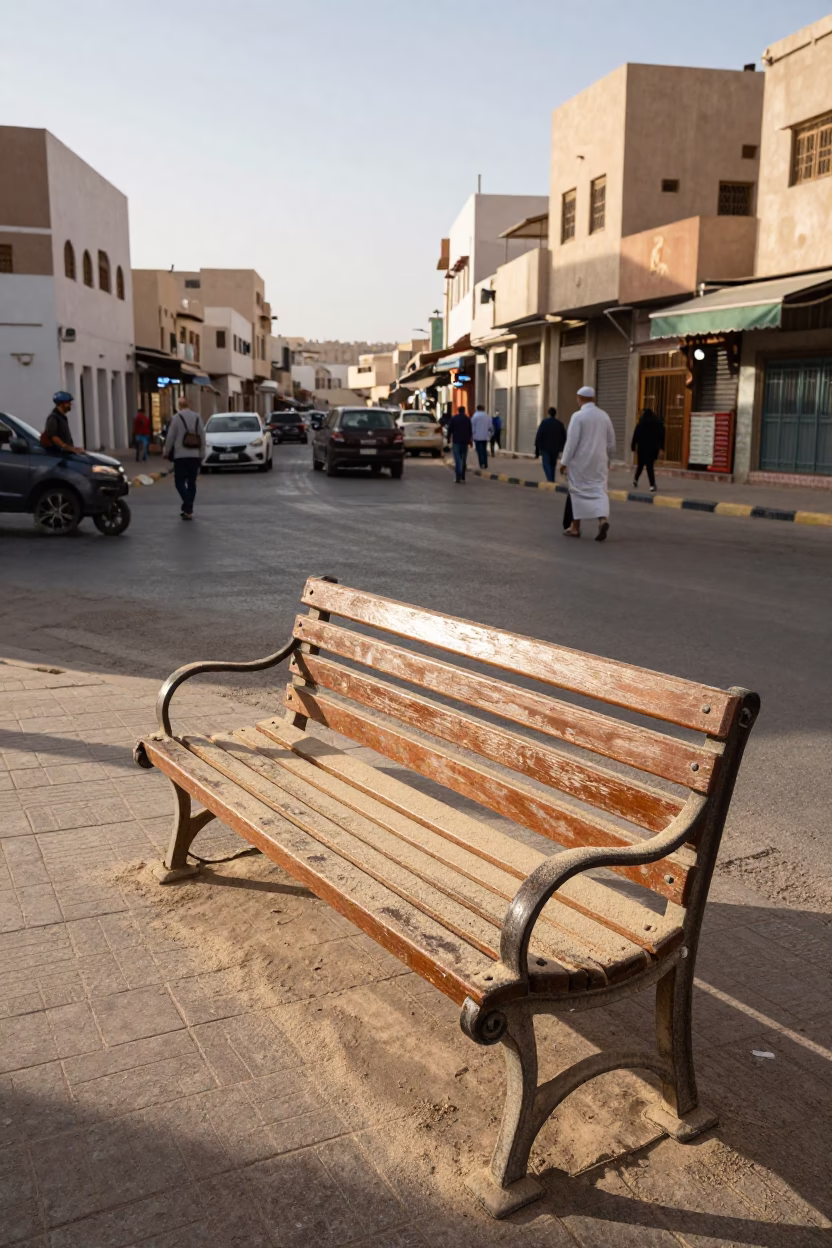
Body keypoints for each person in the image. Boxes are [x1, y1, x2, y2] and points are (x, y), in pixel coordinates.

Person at [560, 386, 616, 541]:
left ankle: (575, 528)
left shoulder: (578, 416)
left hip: (581, 463)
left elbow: (571, 443)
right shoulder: (604, 416)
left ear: (580, 398)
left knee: (577, 492)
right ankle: (603, 520)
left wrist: (564, 462)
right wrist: (608, 459)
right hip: (599, 462)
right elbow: (611, 442)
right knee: (599, 491)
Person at [164, 397, 206, 520]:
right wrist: (202, 454)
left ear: (179, 406)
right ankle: (188, 510)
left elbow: (170, 437)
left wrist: (166, 452)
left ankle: (188, 504)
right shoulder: (198, 417)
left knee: (179, 482)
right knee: (192, 482)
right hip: (195, 456)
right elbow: (202, 437)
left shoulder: (176, 418)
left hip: (180, 456)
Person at [631, 407, 664, 492]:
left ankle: (635, 480)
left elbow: (635, 436)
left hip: (642, 449)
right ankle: (652, 485)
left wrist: (633, 447)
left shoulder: (640, 424)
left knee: (640, 466)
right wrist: (661, 447)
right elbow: (661, 436)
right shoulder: (657, 424)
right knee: (650, 467)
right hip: (652, 449)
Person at [534, 406, 567, 482]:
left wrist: (536, 448)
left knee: (546, 464)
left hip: (545, 447)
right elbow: (564, 437)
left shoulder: (544, 423)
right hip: (555, 448)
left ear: (549, 413)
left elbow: (539, 435)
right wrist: (562, 447)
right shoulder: (559, 424)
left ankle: (550, 479)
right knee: (553, 464)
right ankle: (551, 479)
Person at [448, 406, 473, 483]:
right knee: (463, 459)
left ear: (458, 411)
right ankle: (463, 476)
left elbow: (450, 429)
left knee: (457, 459)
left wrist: (448, 439)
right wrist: (470, 441)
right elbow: (470, 431)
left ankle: (458, 475)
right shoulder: (467, 419)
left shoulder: (454, 418)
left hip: (456, 441)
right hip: (465, 441)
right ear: (464, 411)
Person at [470, 404, 492, 469]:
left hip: (477, 437)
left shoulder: (475, 416)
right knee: (484, 450)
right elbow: (490, 427)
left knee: (479, 450)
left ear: (477, 409)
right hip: (485, 436)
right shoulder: (487, 416)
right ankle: (485, 463)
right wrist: (489, 435)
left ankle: (481, 463)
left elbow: (472, 427)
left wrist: (472, 436)